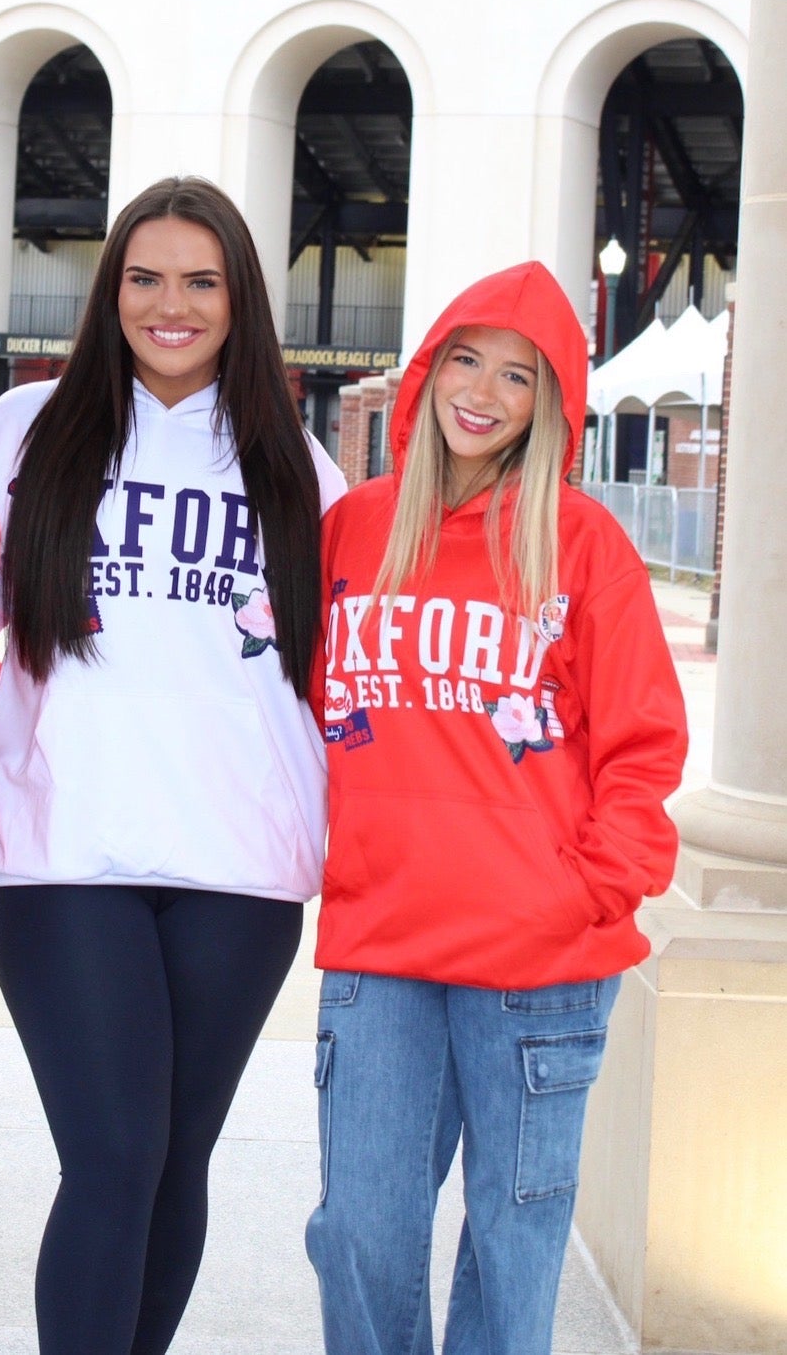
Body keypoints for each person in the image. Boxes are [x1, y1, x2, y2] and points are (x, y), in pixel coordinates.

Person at [0, 175, 348, 1355]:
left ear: (240, 300)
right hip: (67, 853)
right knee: (114, 1152)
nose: (169, 305)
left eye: (200, 281)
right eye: (144, 278)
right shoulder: (18, 433)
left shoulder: (301, 469)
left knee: (175, 1161)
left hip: (239, 869)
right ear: (109, 289)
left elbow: (346, 678)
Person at [305, 260, 688, 1355]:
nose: (481, 392)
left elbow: (643, 744)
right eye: (464, 360)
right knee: (359, 1235)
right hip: (382, 946)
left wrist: (582, 893)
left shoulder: (580, 544)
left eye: (516, 377)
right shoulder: (358, 532)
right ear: (426, 372)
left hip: (540, 959)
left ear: (547, 404)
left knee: (513, 1244)